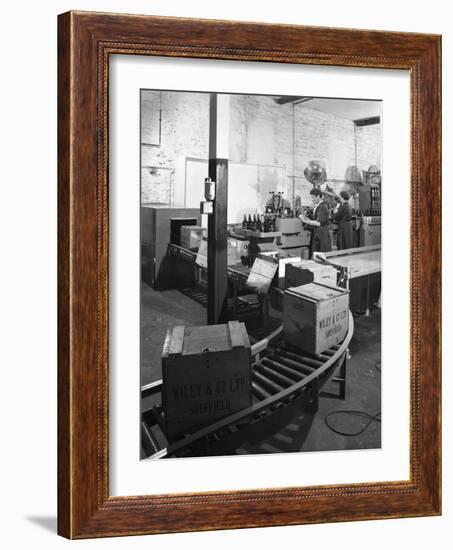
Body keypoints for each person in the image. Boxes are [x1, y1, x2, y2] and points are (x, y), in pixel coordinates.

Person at [299, 187, 332, 256]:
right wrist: (305, 217)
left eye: (313, 197)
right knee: (316, 255)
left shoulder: (323, 207)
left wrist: (304, 220)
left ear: (318, 196)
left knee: (322, 255)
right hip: (318, 233)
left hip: (322, 235)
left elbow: (318, 223)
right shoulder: (318, 206)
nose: (312, 199)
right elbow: (314, 220)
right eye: (311, 197)